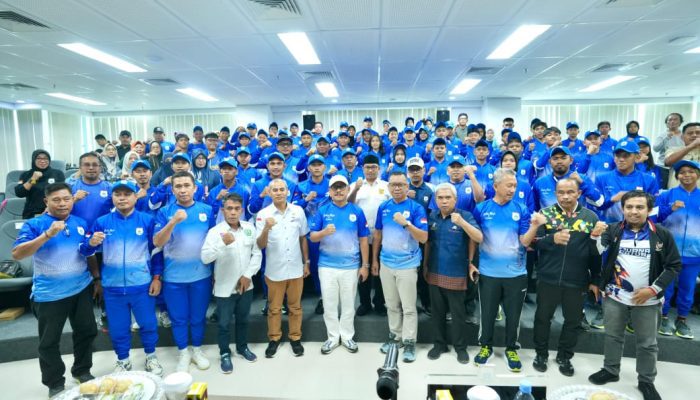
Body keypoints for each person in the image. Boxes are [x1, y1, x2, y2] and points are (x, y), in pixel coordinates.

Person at [588, 191, 681, 400]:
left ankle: (646, 381)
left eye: (639, 207)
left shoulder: (662, 234)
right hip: (615, 295)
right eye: (629, 207)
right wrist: (594, 236)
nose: (634, 211)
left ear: (649, 210)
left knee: (647, 343)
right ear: (623, 209)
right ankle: (611, 370)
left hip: (649, 299)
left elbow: (674, 266)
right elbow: (597, 251)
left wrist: (652, 290)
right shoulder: (613, 230)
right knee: (613, 336)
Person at [12, 183, 100, 398]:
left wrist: (96, 277)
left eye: (66, 199)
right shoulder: (35, 224)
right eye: (56, 200)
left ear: (72, 200)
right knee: (49, 341)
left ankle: (82, 371)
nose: (62, 204)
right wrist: (47, 235)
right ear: (46, 201)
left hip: (80, 289)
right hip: (49, 295)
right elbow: (17, 254)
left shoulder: (80, 222)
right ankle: (55, 383)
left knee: (87, 331)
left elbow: (87, 253)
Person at [81, 180, 164, 376]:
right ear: (112, 198)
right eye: (118, 194)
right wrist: (90, 244)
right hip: (112, 286)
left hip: (142, 284)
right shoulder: (102, 222)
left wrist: (156, 277)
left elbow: (156, 252)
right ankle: (123, 360)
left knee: (148, 324)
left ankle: (151, 357)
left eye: (127, 194)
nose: (122, 198)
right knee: (118, 328)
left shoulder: (147, 220)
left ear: (136, 197)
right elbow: (85, 251)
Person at [471, 168, 541, 372]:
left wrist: (535, 226)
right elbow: (475, 238)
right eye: (509, 185)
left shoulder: (521, 209)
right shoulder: (481, 209)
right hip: (488, 273)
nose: (512, 189)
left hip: (515, 274)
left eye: (515, 186)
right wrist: (471, 262)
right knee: (488, 314)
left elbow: (525, 242)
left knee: (513, 315)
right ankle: (486, 346)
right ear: (495, 186)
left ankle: (512, 348)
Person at [532, 178, 604, 376]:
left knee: (572, 321)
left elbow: (596, 253)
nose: (565, 196)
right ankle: (541, 354)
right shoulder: (545, 214)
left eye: (570, 192)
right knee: (542, 318)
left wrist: (595, 280)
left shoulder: (591, 217)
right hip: (548, 277)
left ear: (578, 193)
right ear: (555, 193)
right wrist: (551, 239)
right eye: (561, 192)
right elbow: (533, 243)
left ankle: (564, 357)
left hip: (577, 280)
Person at [153, 171, 215, 372]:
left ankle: (196, 350)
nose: (182, 190)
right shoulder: (164, 212)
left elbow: (213, 243)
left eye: (186, 185)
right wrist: (172, 222)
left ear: (195, 188)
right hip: (173, 278)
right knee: (178, 318)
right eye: (178, 186)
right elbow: (157, 242)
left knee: (198, 316)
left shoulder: (207, 210)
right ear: (172, 190)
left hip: (201, 275)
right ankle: (183, 352)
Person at [201, 193, 262, 373]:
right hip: (224, 287)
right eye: (229, 208)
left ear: (241, 210)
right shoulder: (215, 232)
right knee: (224, 324)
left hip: (246, 286)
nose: (233, 212)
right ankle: (225, 353)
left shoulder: (249, 228)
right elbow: (205, 258)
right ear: (223, 210)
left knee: (243, 320)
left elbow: (257, 254)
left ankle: (242, 347)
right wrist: (222, 244)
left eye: (236, 209)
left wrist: (248, 275)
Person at [422, 183, 482, 364]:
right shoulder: (432, 216)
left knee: (458, 314)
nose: (444, 201)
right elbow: (428, 243)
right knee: (437, 312)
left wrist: (461, 222)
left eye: (448, 197)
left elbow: (478, 238)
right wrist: (425, 265)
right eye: (440, 198)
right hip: (434, 270)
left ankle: (460, 348)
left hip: (457, 272)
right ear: (435, 200)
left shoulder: (465, 215)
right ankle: (439, 344)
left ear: (455, 199)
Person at [310, 175, 370, 355]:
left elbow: (364, 239)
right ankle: (332, 337)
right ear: (329, 191)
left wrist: (365, 265)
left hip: (351, 265)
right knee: (329, 304)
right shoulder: (322, 210)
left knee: (348, 303)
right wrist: (323, 232)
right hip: (327, 265)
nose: (338, 190)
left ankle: (347, 336)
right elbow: (312, 237)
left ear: (347, 190)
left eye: (341, 187)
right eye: (334, 188)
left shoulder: (357, 211)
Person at [374, 171, 429, 363]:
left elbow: (424, 238)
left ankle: (409, 341)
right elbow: (378, 235)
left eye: (401, 185)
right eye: (393, 185)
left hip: (407, 264)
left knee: (408, 307)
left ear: (407, 187)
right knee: (391, 305)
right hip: (386, 263)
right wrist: (374, 261)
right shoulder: (384, 207)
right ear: (388, 187)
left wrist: (406, 224)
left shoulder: (416, 208)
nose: (397, 188)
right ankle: (395, 337)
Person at [255, 179, 310, 358]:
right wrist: (266, 228)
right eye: (275, 190)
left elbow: (303, 237)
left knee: (295, 307)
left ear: (287, 192)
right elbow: (260, 245)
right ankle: (274, 338)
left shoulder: (298, 211)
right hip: (275, 270)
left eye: (281, 189)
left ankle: (295, 338)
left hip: (295, 268)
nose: (278, 193)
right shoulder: (263, 214)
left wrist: (306, 262)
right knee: (274, 308)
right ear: (269, 193)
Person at [656, 161, 700, 339]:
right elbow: (654, 216)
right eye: (682, 172)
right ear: (677, 176)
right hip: (669, 252)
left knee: (687, 289)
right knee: (665, 288)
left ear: (697, 175)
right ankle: (663, 317)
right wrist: (670, 208)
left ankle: (682, 319)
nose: (686, 175)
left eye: (691, 171)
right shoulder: (667, 195)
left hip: (694, 254)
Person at [348, 154, 390, 316]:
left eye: (374, 167)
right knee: (363, 269)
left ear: (379, 169)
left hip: (382, 236)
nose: (371, 170)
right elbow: (347, 205)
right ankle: (364, 303)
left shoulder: (386, 186)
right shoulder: (355, 185)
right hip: (361, 237)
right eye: (367, 167)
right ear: (362, 168)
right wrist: (355, 189)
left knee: (380, 271)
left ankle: (379, 302)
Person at [596, 140, 659, 223]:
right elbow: (595, 207)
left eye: (626, 156)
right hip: (608, 227)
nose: (621, 159)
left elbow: (653, 209)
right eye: (618, 155)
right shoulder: (601, 178)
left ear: (637, 157)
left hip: (638, 228)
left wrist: (650, 228)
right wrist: (612, 200)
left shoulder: (649, 180)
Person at [15, 149, 66, 219]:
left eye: (45, 158)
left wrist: (50, 208)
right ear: (33, 160)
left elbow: (62, 193)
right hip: (32, 213)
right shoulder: (26, 175)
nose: (42, 161)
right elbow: (19, 193)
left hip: (54, 211)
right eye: (39, 158)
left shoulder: (57, 173)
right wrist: (33, 179)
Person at [70, 152, 113, 228]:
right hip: (76, 230)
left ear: (100, 168)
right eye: (87, 165)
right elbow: (59, 210)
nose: (91, 168)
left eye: (95, 165)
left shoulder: (110, 188)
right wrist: (73, 200)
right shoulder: (70, 187)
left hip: (102, 231)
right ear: (80, 168)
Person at [664, 122, 700, 188]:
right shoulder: (673, 150)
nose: (694, 135)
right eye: (690, 133)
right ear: (682, 137)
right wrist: (691, 146)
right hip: (677, 192)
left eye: (698, 133)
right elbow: (668, 162)